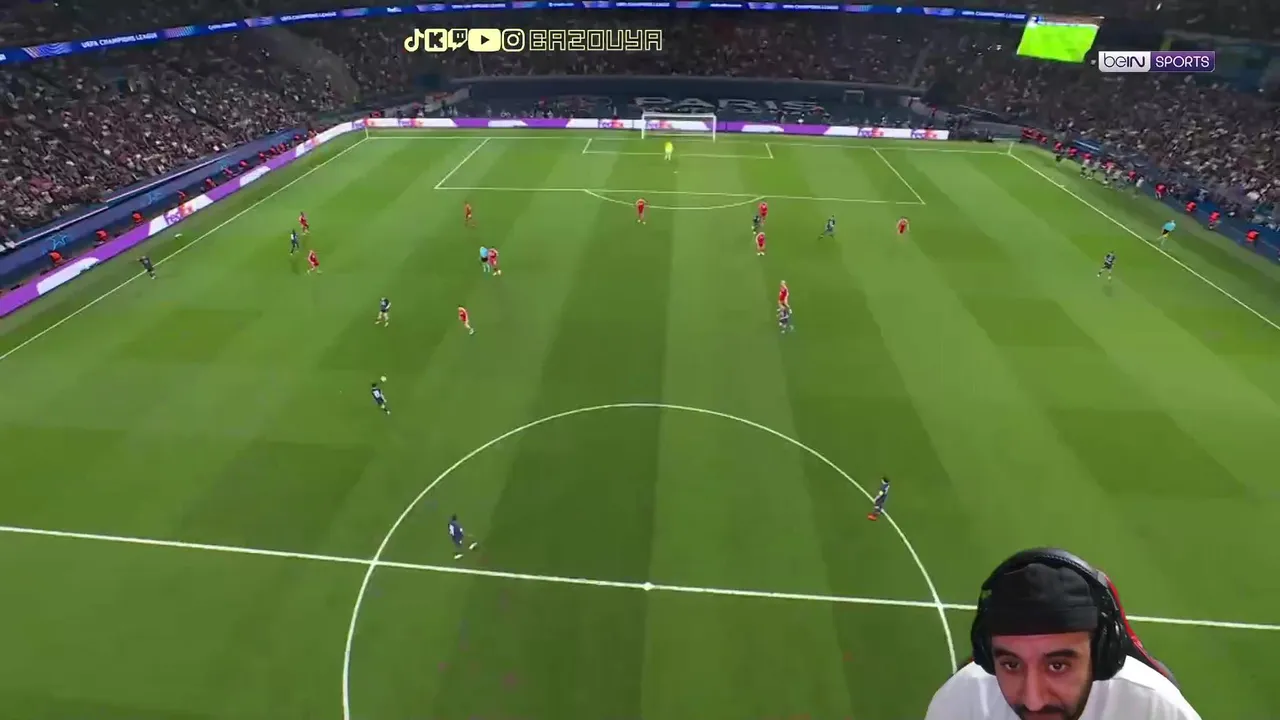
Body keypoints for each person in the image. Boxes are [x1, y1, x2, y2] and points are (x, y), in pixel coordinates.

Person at [925, 548, 1199, 720]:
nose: (1033, 701)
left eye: (1058, 666)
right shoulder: (961, 703)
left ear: (1100, 656)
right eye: (1011, 665)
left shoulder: (1156, 709)